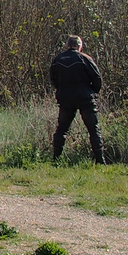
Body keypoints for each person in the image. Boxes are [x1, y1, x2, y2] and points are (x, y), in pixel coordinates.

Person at [49, 34, 105, 163]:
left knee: (62, 128)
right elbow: (97, 79)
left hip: (65, 99)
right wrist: (92, 92)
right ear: (79, 46)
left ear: (68, 45)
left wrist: (62, 90)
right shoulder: (85, 58)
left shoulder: (58, 59)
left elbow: (53, 79)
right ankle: (100, 160)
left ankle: (56, 159)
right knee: (93, 129)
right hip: (85, 98)